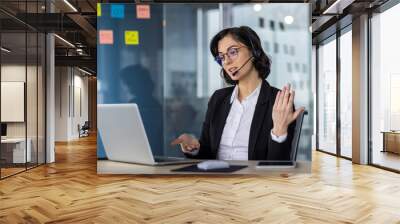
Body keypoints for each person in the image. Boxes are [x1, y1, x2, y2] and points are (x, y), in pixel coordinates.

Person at [170, 26, 304, 160]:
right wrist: (194, 148)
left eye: (233, 52)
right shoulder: (218, 98)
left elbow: (278, 167)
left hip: (253, 179)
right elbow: (207, 152)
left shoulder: (277, 100)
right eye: (221, 57)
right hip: (216, 178)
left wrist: (279, 131)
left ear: (254, 51)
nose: (227, 62)